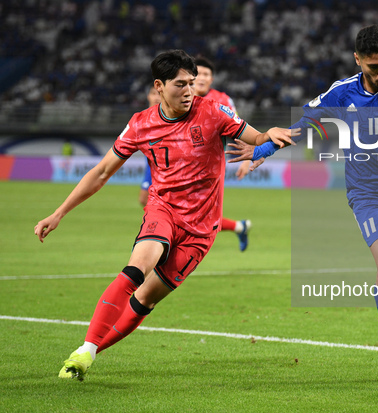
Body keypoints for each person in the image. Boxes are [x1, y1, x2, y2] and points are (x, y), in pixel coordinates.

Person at [34, 49, 296, 381]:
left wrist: (269, 139)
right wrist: (59, 213)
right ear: (159, 86)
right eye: (180, 84)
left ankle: (90, 353)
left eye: (191, 83)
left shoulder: (214, 112)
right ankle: (85, 348)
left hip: (202, 228)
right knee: (137, 268)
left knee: (145, 298)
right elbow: (101, 172)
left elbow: (256, 137)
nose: (188, 91)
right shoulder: (140, 124)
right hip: (164, 210)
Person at [229, 25, 378, 386]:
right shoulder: (341, 93)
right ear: (358, 60)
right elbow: (303, 126)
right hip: (369, 196)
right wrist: (263, 149)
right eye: (375, 66)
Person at [139, 76, 252, 251]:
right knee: (147, 199)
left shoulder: (218, 101)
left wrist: (246, 158)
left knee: (193, 212)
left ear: (211, 78)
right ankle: (238, 227)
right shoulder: (157, 111)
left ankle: (162, 240)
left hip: (198, 164)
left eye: (206, 74)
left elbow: (237, 127)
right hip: (158, 159)